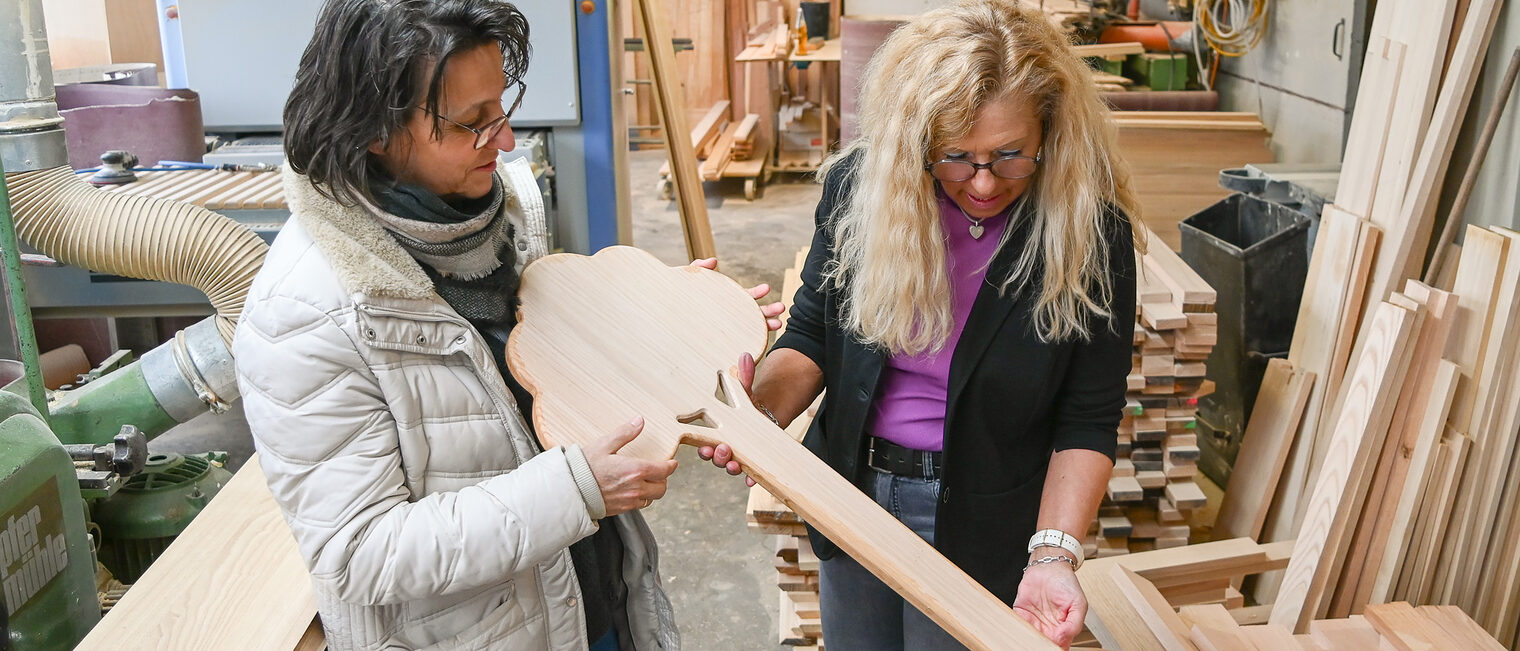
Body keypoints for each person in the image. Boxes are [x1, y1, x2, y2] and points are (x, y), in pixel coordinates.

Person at [234, 1, 781, 649]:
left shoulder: (498, 212)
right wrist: (575, 491)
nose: (506, 140)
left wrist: (664, 317)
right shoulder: (307, 310)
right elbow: (358, 553)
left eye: (502, 108)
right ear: (372, 130)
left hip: (586, 600)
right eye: (472, 123)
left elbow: (529, 371)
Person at [708, 1, 1142, 648]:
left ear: (1051, 130)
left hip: (985, 510)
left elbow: (1087, 417)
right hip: (852, 492)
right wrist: (759, 411)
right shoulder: (864, 192)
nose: (985, 183)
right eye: (957, 157)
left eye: (1010, 155)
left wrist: (1053, 554)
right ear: (917, 138)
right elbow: (812, 337)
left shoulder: (1089, 236)